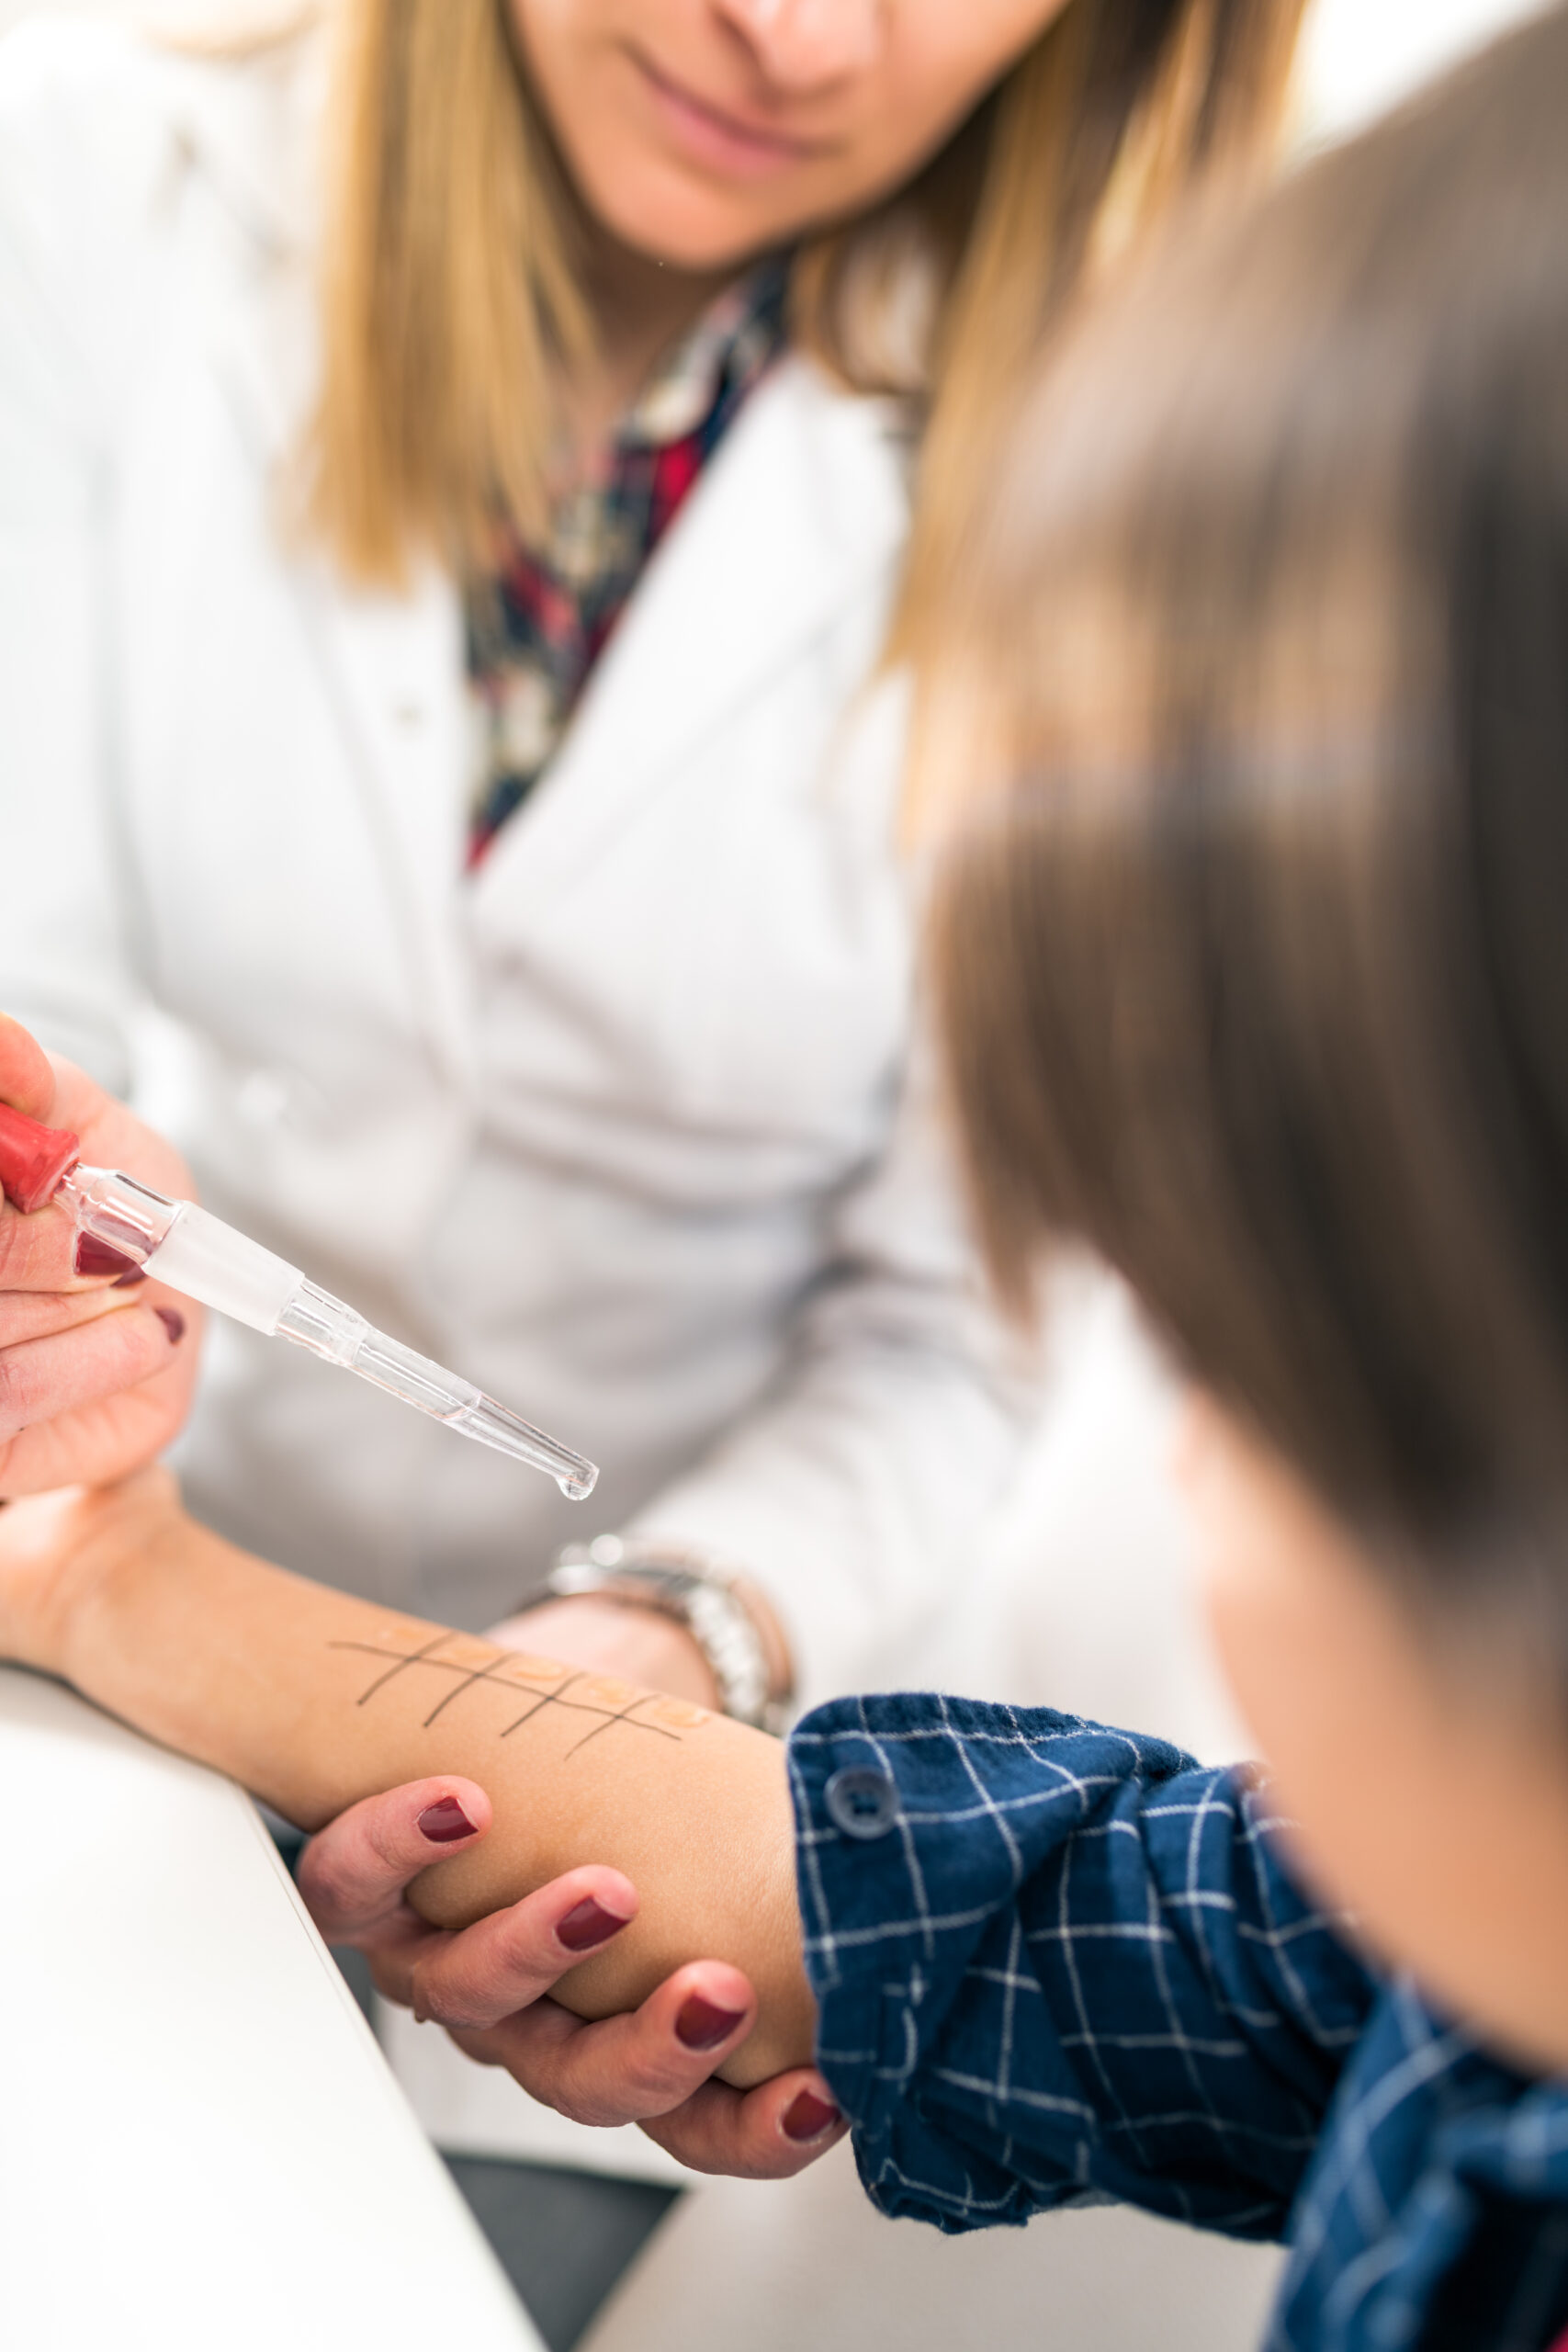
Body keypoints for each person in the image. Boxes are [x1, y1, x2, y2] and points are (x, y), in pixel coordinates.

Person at [9, 3, 1568, 2339]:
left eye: (1270, 1367)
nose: (799, 26)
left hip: (614, 1769)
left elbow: (952, 1353)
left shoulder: (1150, 442)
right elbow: (995, 1903)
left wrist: (674, 1631)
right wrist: (101, 1545)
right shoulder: (1359, 1962)